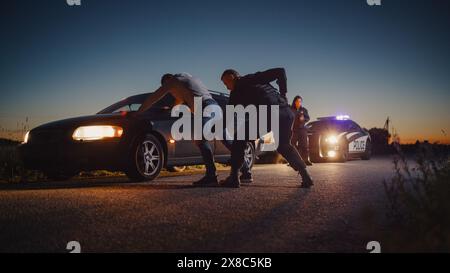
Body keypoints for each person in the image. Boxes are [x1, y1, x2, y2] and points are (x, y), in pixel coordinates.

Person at [220, 68, 314, 188]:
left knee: (240, 137)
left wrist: (216, 128)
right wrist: (283, 95)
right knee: (284, 146)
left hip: (269, 113)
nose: (227, 87)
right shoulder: (254, 81)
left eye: (226, 83)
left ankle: (233, 178)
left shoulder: (248, 80)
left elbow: (280, 71)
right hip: (286, 113)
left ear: (232, 77)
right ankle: (306, 176)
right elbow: (281, 72)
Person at [137, 73, 219, 187]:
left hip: (206, 108)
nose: (169, 91)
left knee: (200, 139)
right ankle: (245, 171)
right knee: (226, 140)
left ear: (168, 81)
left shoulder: (173, 80)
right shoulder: (186, 82)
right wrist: (170, 109)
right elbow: (178, 103)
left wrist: (138, 112)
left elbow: (153, 97)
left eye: (167, 88)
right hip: (214, 106)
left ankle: (211, 175)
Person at [291, 95, 312, 166]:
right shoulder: (291, 109)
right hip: (293, 130)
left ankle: (306, 160)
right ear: (294, 102)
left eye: (300, 101)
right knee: (292, 145)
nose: (298, 103)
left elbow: (308, 118)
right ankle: (292, 161)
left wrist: (304, 119)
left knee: (304, 146)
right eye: (297, 101)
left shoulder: (304, 110)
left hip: (302, 129)